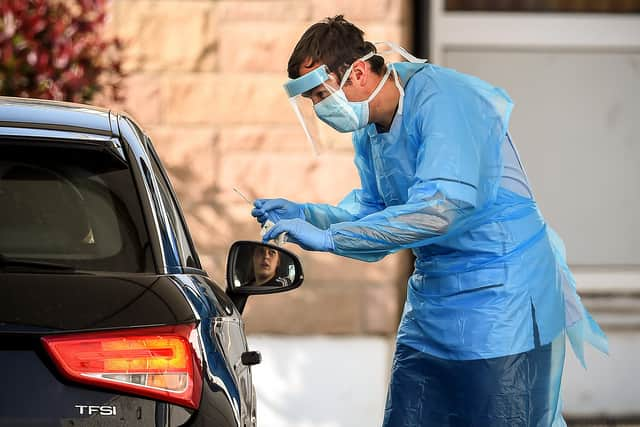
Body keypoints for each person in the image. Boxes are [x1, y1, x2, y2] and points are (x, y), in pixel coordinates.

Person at [252, 15, 608, 427]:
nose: (319, 109)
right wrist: (305, 214)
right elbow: (375, 212)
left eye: (320, 95)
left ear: (360, 72)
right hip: (433, 301)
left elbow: (439, 209)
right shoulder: (370, 127)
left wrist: (331, 238)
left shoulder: (443, 99)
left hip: (501, 296)